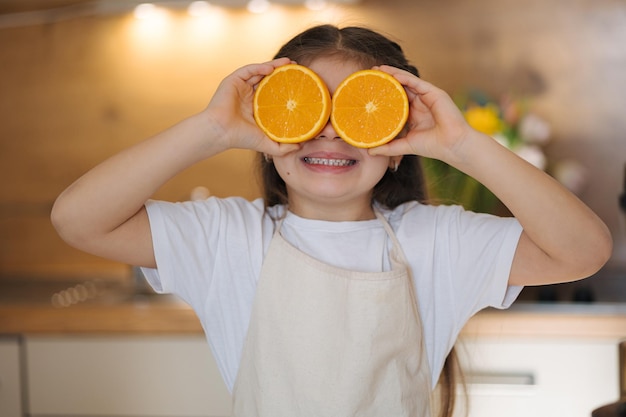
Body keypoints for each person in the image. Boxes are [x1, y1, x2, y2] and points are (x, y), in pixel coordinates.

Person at [50, 24, 612, 417]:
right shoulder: (225, 239)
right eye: (307, 107)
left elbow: (582, 250)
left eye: (358, 112)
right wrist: (211, 129)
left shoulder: (434, 241)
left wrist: (463, 144)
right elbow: (78, 220)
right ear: (269, 131)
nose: (330, 133)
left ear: (397, 145)